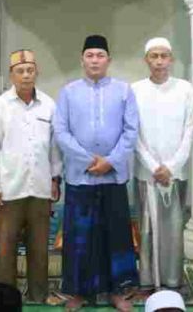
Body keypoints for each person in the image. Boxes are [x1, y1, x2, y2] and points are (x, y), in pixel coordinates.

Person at [54, 35, 139, 312]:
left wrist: (111, 161)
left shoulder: (124, 91)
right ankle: (79, 292)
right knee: (81, 237)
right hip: (81, 176)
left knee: (114, 235)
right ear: (82, 59)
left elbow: (131, 131)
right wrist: (90, 159)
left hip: (114, 176)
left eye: (100, 55)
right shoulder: (68, 92)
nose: (94, 60)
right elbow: (61, 132)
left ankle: (117, 291)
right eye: (89, 55)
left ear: (108, 60)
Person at [0, 49, 62, 303]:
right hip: (9, 189)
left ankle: (39, 295)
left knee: (39, 248)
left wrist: (55, 179)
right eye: (20, 71)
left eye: (30, 70)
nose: (26, 75)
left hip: (40, 188)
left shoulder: (49, 105)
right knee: (6, 248)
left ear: (36, 72)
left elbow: (54, 148)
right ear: (11, 75)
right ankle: (7, 298)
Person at [131, 37, 193, 293]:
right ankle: (147, 280)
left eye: (164, 56)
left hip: (175, 173)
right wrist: (153, 166)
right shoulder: (135, 89)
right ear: (146, 59)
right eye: (154, 56)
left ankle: (171, 281)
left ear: (171, 59)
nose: (159, 61)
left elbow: (189, 130)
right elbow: (133, 133)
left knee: (173, 229)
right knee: (146, 229)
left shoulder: (185, 89)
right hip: (146, 173)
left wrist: (170, 166)